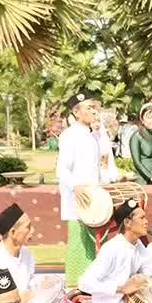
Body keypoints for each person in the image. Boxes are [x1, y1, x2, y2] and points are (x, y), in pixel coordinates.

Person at [78, 199, 152, 303]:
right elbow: (84, 283)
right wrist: (121, 289)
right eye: (142, 218)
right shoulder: (112, 248)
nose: (146, 222)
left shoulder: (138, 245)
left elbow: (148, 277)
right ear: (127, 223)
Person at [56, 92, 101, 287]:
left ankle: (88, 285)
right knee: (78, 243)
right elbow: (61, 168)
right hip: (76, 201)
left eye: (93, 107)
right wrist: (75, 186)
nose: (93, 111)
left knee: (91, 244)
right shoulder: (69, 135)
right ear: (76, 111)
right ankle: (73, 286)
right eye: (88, 108)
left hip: (92, 200)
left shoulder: (91, 136)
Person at [92, 115, 119, 184]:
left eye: (98, 121)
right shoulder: (88, 137)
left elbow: (107, 157)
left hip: (103, 169)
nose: (96, 124)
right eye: (94, 122)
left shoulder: (104, 137)